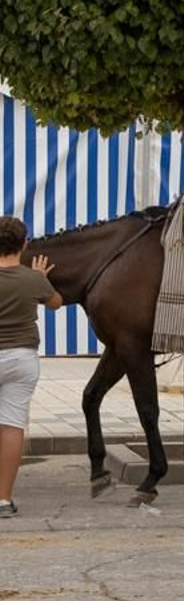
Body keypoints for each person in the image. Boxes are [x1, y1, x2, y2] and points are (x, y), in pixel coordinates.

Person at [0, 217, 62, 518]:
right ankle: (3, 500)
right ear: (24, 244)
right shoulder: (32, 279)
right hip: (22, 358)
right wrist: (40, 278)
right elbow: (56, 303)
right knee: (12, 426)